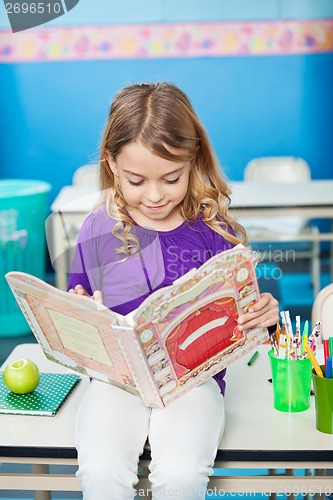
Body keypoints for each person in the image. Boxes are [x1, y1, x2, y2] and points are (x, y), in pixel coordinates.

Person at [67, 82, 279, 500]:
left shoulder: (215, 232)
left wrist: (265, 314)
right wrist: (80, 313)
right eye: (135, 180)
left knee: (182, 475)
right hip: (117, 381)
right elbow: (80, 304)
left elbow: (254, 322)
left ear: (193, 160)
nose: (155, 195)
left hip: (194, 381)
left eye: (170, 178)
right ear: (111, 164)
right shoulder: (97, 228)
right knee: (101, 471)